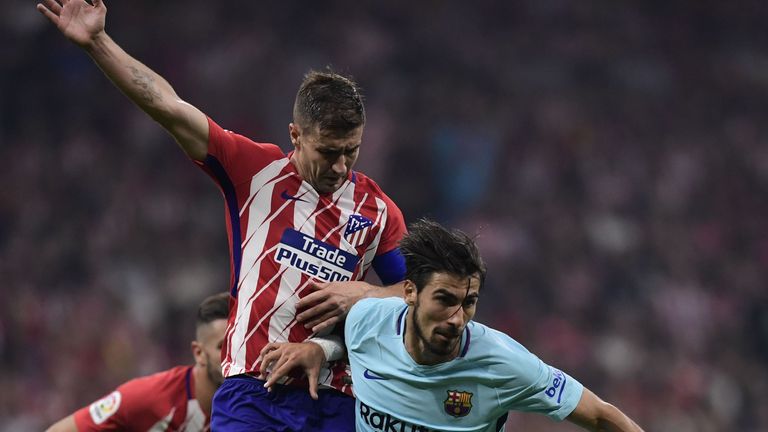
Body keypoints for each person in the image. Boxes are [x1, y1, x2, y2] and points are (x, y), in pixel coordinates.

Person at [37, 0, 407, 430]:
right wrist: (98, 43)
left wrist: (365, 293)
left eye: (351, 151)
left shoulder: (378, 210)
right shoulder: (256, 170)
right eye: (328, 152)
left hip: (334, 397)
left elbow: (417, 292)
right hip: (252, 392)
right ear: (296, 135)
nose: (341, 167)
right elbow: (168, 106)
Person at [260, 219, 645, 432]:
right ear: (408, 292)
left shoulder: (503, 362)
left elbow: (600, 415)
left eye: (469, 303)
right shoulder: (365, 319)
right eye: (444, 300)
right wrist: (318, 348)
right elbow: (350, 338)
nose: (457, 318)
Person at [46, 292, 230, 432]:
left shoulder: (254, 404)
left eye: (239, 345)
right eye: (222, 346)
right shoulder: (152, 398)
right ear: (199, 353)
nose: (233, 355)